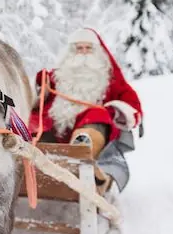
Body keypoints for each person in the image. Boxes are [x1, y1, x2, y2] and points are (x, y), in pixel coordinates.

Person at [28, 28, 143, 194]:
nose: (83, 54)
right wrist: (41, 89)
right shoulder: (56, 77)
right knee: (36, 122)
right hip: (58, 127)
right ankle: (32, 153)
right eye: (78, 48)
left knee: (98, 114)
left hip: (92, 126)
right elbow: (35, 96)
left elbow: (132, 105)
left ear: (97, 52)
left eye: (88, 48)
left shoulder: (110, 79)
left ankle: (82, 148)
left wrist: (121, 111)